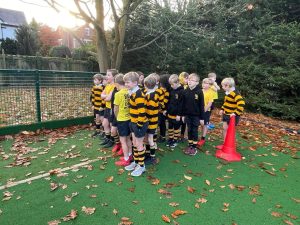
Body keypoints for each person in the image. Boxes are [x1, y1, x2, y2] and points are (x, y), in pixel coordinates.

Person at [123, 72, 148, 177]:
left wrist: (139, 125)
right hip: (133, 122)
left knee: (139, 144)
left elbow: (142, 112)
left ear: (135, 82)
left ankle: (141, 166)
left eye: (127, 82)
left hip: (139, 123)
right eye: (125, 82)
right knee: (134, 143)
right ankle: (136, 162)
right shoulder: (132, 92)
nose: (126, 84)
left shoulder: (138, 95)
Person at [217, 78, 245, 148]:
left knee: (230, 130)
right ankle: (225, 143)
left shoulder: (235, 94)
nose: (222, 87)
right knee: (224, 128)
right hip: (226, 114)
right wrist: (222, 109)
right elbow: (226, 103)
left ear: (228, 86)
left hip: (233, 116)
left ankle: (230, 145)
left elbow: (241, 104)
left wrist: (235, 113)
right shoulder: (227, 93)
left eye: (223, 86)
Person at [181, 73, 204, 156]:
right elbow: (183, 104)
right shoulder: (185, 91)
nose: (190, 81)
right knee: (189, 129)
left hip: (196, 116)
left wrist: (202, 118)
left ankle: (194, 147)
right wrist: (183, 115)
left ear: (197, 82)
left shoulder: (199, 92)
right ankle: (190, 145)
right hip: (187, 115)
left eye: (192, 80)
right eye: (189, 79)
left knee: (194, 130)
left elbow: (201, 105)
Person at [113, 74, 132, 166]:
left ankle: (126, 159)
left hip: (122, 120)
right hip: (129, 118)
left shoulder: (118, 94)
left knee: (123, 140)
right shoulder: (129, 91)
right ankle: (130, 155)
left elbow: (115, 109)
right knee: (128, 138)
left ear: (116, 84)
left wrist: (116, 117)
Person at [100, 69, 118, 147]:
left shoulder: (115, 86)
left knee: (111, 125)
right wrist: (105, 96)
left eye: (108, 75)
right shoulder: (107, 85)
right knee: (104, 123)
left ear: (114, 77)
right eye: (107, 75)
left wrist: (105, 97)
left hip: (111, 108)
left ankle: (112, 140)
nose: (107, 77)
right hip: (107, 107)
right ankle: (107, 138)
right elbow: (101, 95)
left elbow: (108, 99)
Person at [144, 75, 160, 165]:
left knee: (150, 139)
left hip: (150, 121)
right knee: (147, 139)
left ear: (145, 85)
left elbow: (149, 111)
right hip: (153, 120)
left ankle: (152, 157)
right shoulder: (155, 94)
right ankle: (148, 154)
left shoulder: (150, 96)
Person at [165, 74, 184, 149]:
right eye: (170, 85)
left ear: (177, 82)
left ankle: (175, 140)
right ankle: (170, 138)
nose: (171, 86)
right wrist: (167, 109)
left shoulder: (182, 91)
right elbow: (169, 101)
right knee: (170, 127)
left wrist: (179, 115)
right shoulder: (171, 89)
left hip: (177, 115)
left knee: (176, 128)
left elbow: (181, 104)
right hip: (170, 113)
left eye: (172, 84)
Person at [197, 78, 215, 147]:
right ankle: (195, 137)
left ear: (210, 85)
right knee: (199, 123)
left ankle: (203, 138)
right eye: (203, 83)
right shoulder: (200, 91)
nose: (204, 84)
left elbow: (209, 104)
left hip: (206, 111)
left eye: (207, 83)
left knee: (204, 124)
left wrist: (203, 111)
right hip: (198, 111)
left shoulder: (211, 92)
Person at [157, 74, 170, 143]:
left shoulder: (167, 91)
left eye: (161, 82)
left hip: (162, 111)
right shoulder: (161, 89)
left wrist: (161, 108)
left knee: (162, 123)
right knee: (161, 124)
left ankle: (163, 137)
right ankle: (161, 136)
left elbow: (165, 101)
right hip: (160, 110)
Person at [178, 72, 189, 141]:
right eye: (186, 78)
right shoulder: (179, 87)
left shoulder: (187, 87)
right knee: (179, 121)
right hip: (180, 107)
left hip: (185, 108)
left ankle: (183, 135)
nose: (187, 80)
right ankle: (178, 134)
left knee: (184, 122)